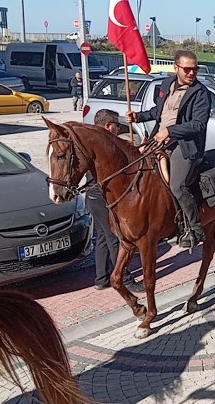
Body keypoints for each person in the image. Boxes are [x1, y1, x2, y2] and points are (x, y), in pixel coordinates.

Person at [126, 50, 211, 249]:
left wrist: (170, 132)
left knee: (177, 186)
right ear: (176, 67)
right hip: (159, 140)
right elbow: (159, 112)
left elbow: (198, 124)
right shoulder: (166, 85)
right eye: (187, 69)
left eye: (195, 69)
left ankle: (194, 228)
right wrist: (138, 117)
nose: (192, 73)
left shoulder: (200, 93)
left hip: (185, 144)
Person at [87, 109, 143, 292]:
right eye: (117, 126)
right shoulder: (103, 144)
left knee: (102, 237)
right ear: (108, 126)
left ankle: (101, 278)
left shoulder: (92, 141)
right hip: (102, 197)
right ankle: (125, 279)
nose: (118, 130)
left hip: (92, 196)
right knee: (115, 237)